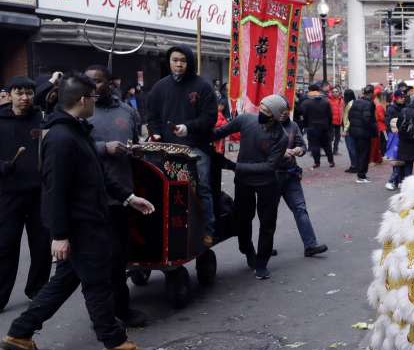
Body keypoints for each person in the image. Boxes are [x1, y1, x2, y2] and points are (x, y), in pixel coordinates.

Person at [1, 73, 156, 350]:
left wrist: (129, 197)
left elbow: (98, 175)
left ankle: (19, 334)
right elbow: (55, 189)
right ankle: (114, 341)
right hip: (81, 225)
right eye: (93, 97)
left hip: (88, 221)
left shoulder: (76, 131)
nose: (95, 102)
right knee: (97, 283)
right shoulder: (61, 137)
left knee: (63, 283)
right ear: (83, 99)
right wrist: (59, 234)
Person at [84, 65, 148, 328]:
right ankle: (104, 314)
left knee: (120, 256)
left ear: (110, 83)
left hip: (122, 194)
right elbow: (72, 146)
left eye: (97, 82)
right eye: (88, 83)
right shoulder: (83, 111)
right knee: (100, 260)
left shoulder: (127, 111)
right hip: (92, 195)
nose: (93, 87)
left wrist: (137, 150)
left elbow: (136, 141)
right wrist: (102, 148)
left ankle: (120, 309)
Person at [146, 45, 217, 246]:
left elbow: (210, 118)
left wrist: (188, 128)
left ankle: (207, 229)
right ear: (169, 61)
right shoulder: (159, 87)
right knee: (164, 189)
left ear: (190, 62)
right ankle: (167, 230)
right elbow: (152, 116)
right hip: (167, 148)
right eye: (175, 60)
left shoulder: (202, 86)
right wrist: (155, 132)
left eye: (183, 61)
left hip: (196, 147)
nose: (178, 64)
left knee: (201, 188)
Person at [212, 95, 288, 279]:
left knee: (267, 223)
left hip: (267, 184)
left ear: (275, 116)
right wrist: (191, 130)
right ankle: (247, 250)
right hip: (244, 182)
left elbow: (270, 166)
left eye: (266, 111)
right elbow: (219, 132)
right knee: (243, 218)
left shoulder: (281, 137)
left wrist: (234, 166)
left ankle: (262, 262)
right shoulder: (246, 119)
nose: (261, 112)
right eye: (261, 108)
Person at [0, 77, 50, 312]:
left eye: (29, 93)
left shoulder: (42, 119)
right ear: (9, 95)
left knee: (41, 245)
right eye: (19, 93)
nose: (24, 97)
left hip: (39, 193)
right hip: (8, 194)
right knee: (5, 245)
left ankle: (37, 289)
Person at [276, 100, 328, 257]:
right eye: (281, 109)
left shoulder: (293, 126)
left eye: (287, 109)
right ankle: (265, 246)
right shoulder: (266, 127)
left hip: (291, 174)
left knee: (300, 209)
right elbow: (261, 148)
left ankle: (310, 245)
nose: (285, 112)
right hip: (272, 176)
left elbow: (302, 145)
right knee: (269, 212)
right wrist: (280, 152)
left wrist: (299, 149)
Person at [299, 84, 334, 168]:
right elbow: (330, 115)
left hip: (312, 126)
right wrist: (329, 126)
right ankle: (331, 161)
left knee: (314, 145)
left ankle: (317, 162)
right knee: (327, 144)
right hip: (324, 126)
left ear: (309, 90)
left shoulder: (306, 102)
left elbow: (303, 115)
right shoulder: (325, 101)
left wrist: (305, 125)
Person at [348, 85, 377, 183]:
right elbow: (367, 119)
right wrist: (373, 128)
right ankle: (361, 175)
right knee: (364, 154)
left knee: (359, 153)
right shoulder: (369, 104)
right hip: (364, 133)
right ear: (371, 93)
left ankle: (361, 174)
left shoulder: (356, 102)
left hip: (355, 132)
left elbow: (350, 115)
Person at [384, 90, 406, 190]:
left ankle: (398, 181)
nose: (403, 98)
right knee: (397, 160)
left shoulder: (402, 107)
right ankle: (391, 181)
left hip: (399, 136)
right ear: (397, 98)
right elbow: (389, 123)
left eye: (404, 97)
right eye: (402, 97)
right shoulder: (392, 109)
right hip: (395, 137)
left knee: (400, 160)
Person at [342, 89, 358, 173]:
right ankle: (354, 165)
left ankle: (354, 165)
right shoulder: (353, 103)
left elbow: (349, 119)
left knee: (351, 148)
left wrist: (345, 130)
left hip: (349, 129)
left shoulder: (350, 105)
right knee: (353, 148)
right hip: (354, 129)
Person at [329, 86, 344, 155]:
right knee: (331, 137)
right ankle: (329, 150)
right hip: (331, 122)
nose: (335, 93)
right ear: (331, 93)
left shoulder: (341, 100)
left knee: (338, 137)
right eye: (333, 92)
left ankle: (335, 150)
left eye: (336, 92)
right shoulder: (329, 100)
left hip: (338, 122)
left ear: (339, 92)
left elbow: (343, 111)